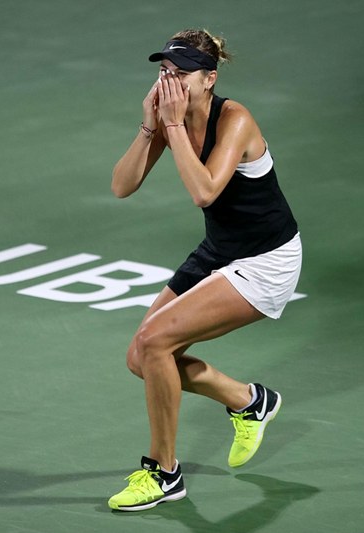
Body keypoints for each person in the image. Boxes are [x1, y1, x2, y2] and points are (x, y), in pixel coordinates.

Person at [107, 29, 302, 512]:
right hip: (220, 250)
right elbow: (122, 186)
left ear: (209, 79)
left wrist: (172, 126)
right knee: (141, 357)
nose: (169, 82)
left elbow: (205, 191)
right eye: (164, 72)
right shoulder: (168, 117)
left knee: (155, 342)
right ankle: (248, 401)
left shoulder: (235, 119)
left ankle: (164, 473)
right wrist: (150, 126)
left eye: (181, 74)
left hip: (267, 260)